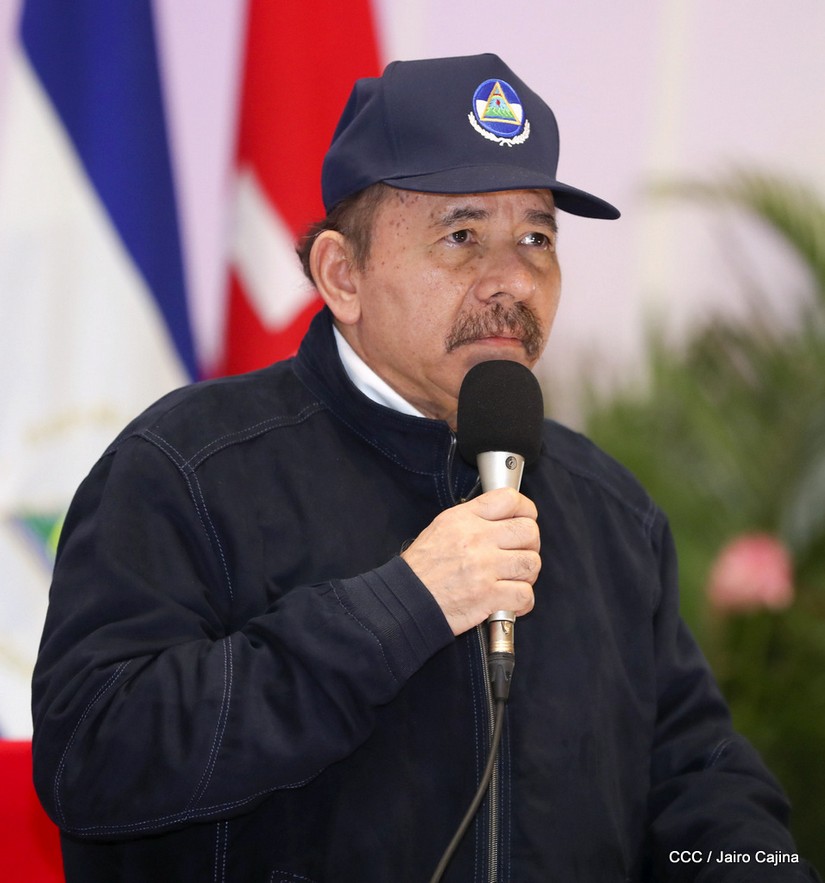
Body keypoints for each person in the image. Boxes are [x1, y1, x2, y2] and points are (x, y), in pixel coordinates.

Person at [31, 53, 819, 882]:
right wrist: (400, 605)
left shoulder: (609, 512)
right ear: (342, 275)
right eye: (462, 236)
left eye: (536, 237)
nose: (512, 280)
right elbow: (93, 757)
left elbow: (698, 783)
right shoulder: (189, 469)